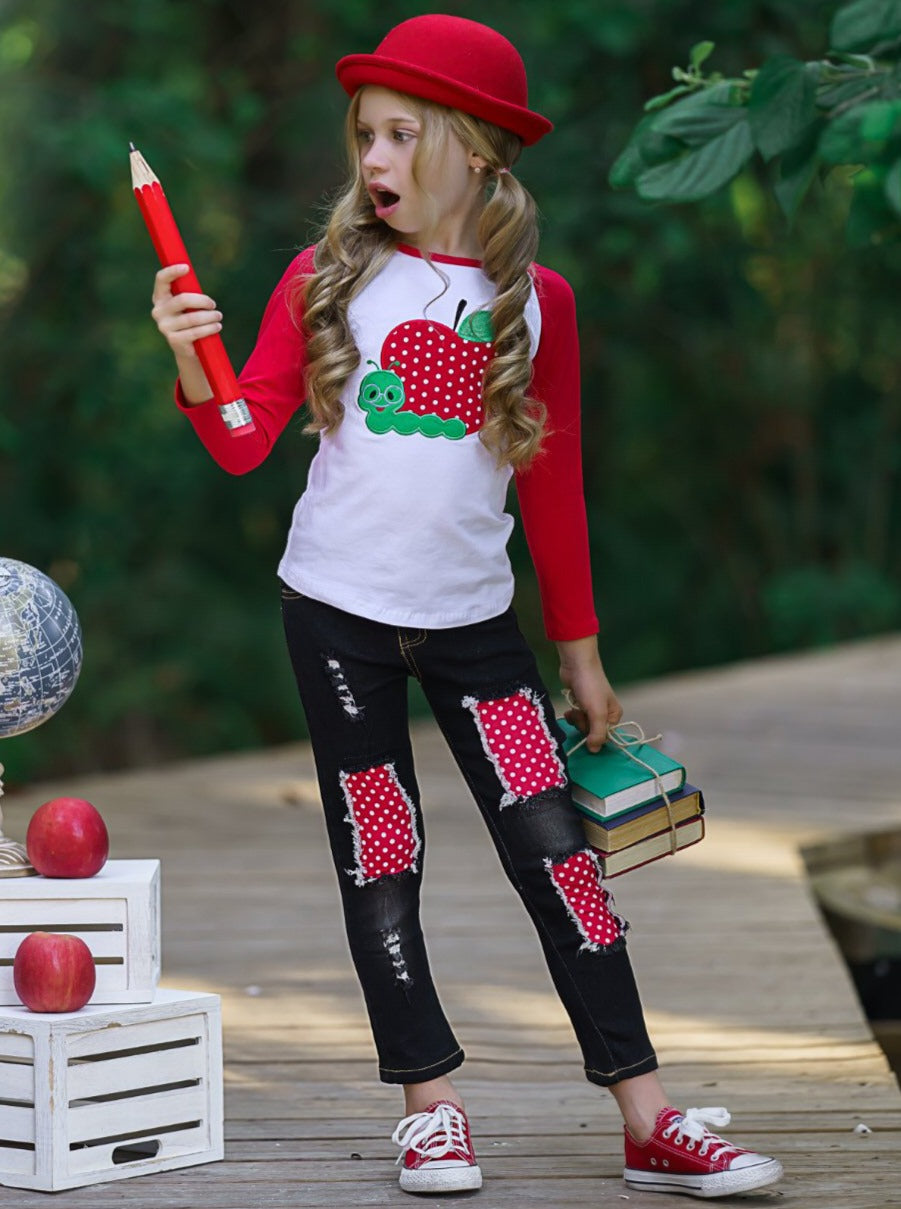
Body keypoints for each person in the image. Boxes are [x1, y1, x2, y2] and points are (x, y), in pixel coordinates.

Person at [149, 13, 783, 1200]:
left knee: (560, 859)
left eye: (404, 134)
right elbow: (239, 441)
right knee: (380, 855)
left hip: (477, 631)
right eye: (364, 136)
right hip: (336, 618)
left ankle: (648, 1117)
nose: (375, 159)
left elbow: (553, 482)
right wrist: (193, 358)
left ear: (479, 151)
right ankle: (430, 1110)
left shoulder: (537, 303)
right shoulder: (323, 280)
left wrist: (579, 653)